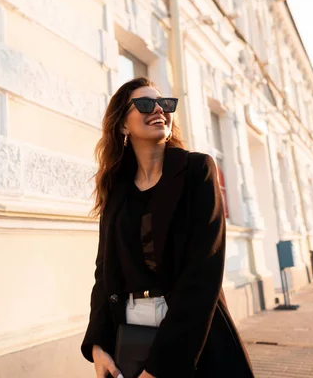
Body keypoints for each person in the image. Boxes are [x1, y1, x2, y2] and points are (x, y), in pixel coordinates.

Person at [81, 77, 255, 378]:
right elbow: (105, 268)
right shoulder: (117, 188)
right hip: (132, 331)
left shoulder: (197, 170)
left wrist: (161, 366)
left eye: (165, 104)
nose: (159, 110)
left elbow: (204, 270)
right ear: (123, 125)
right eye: (146, 104)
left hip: (191, 332)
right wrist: (98, 345)